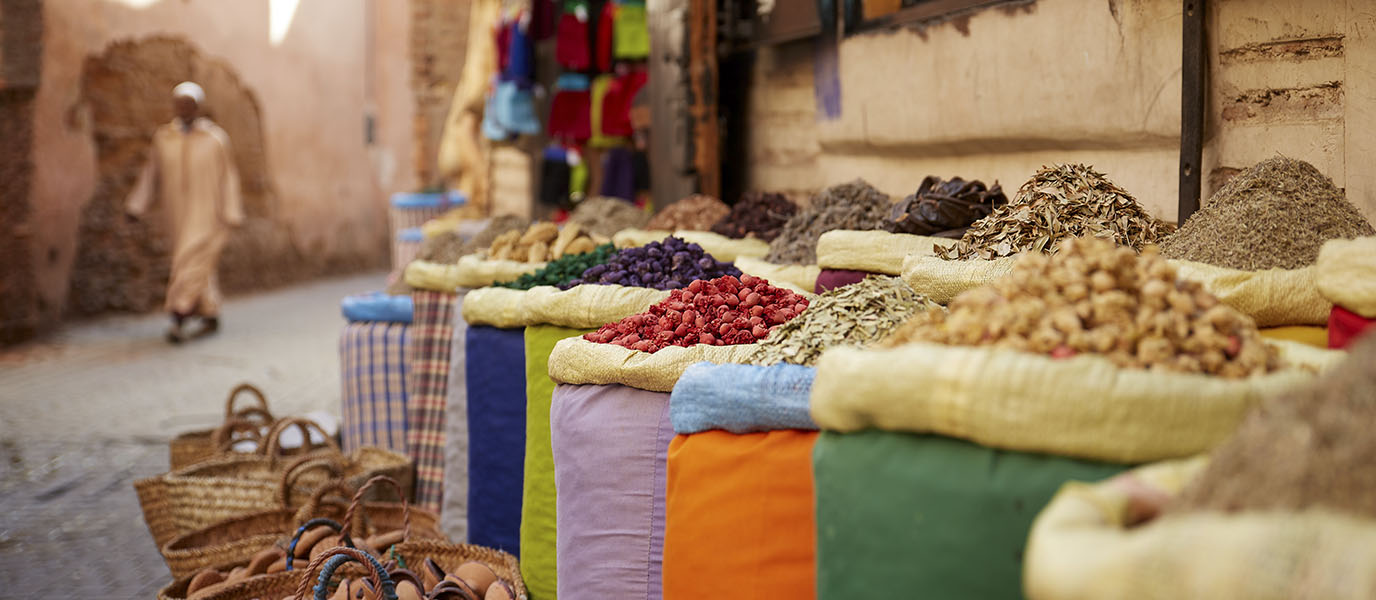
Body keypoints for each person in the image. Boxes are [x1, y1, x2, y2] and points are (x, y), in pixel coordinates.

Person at [126, 81, 245, 343]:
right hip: (176, 212)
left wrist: (232, 211)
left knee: (189, 261)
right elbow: (151, 175)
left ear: (199, 107)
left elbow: (229, 177)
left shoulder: (215, 139)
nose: (184, 108)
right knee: (193, 262)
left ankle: (178, 314)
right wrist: (136, 205)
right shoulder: (164, 138)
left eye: (190, 104)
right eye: (180, 103)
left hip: (209, 212)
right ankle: (210, 312)